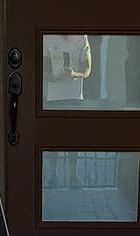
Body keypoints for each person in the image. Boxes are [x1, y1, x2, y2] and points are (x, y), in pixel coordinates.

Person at [42, 34, 92, 190]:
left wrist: (74, 74)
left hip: (74, 96)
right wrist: (57, 77)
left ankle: (72, 175)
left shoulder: (81, 38)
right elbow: (43, 69)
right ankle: (52, 175)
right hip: (53, 97)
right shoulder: (47, 37)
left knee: (73, 136)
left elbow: (87, 68)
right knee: (52, 138)